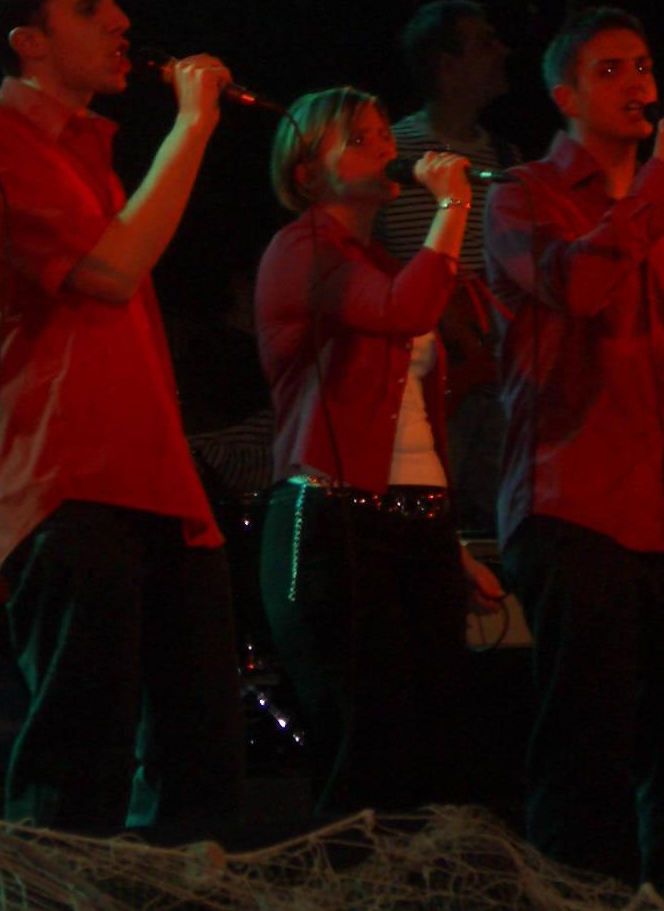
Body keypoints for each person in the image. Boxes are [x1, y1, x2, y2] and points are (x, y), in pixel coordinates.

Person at [0, 0, 242, 832]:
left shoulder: (92, 153)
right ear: (29, 41)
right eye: (91, 6)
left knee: (200, 762)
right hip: (67, 488)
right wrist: (191, 126)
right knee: (81, 764)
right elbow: (106, 274)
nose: (122, 22)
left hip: (152, 484)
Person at [484, 6, 664, 900]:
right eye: (610, 69)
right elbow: (578, 287)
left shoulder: (653, 212)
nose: (637, 81)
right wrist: (661, 180)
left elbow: (643, 373)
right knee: (584, 753)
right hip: (571, 505)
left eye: (643, 63)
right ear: (564, 96)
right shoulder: (520, 192)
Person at [255, 86, 502, 815]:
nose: (386, 147)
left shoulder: (386, 258)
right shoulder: (301, 246)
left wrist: (445, 540)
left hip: (416, 524)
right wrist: (451, 208)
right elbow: (406, 311)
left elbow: (414, 420)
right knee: (370, 738)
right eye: (359, 139)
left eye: (381, 133)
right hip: (333, 523)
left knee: (435, 742)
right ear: (307, 173)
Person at [377, 0, 520, 535]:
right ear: (446, 64)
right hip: (426, 377)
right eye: (485, 41)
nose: (502, 50)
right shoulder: (393, 148)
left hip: (498, 375)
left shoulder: (508, 159)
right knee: (428, 525)